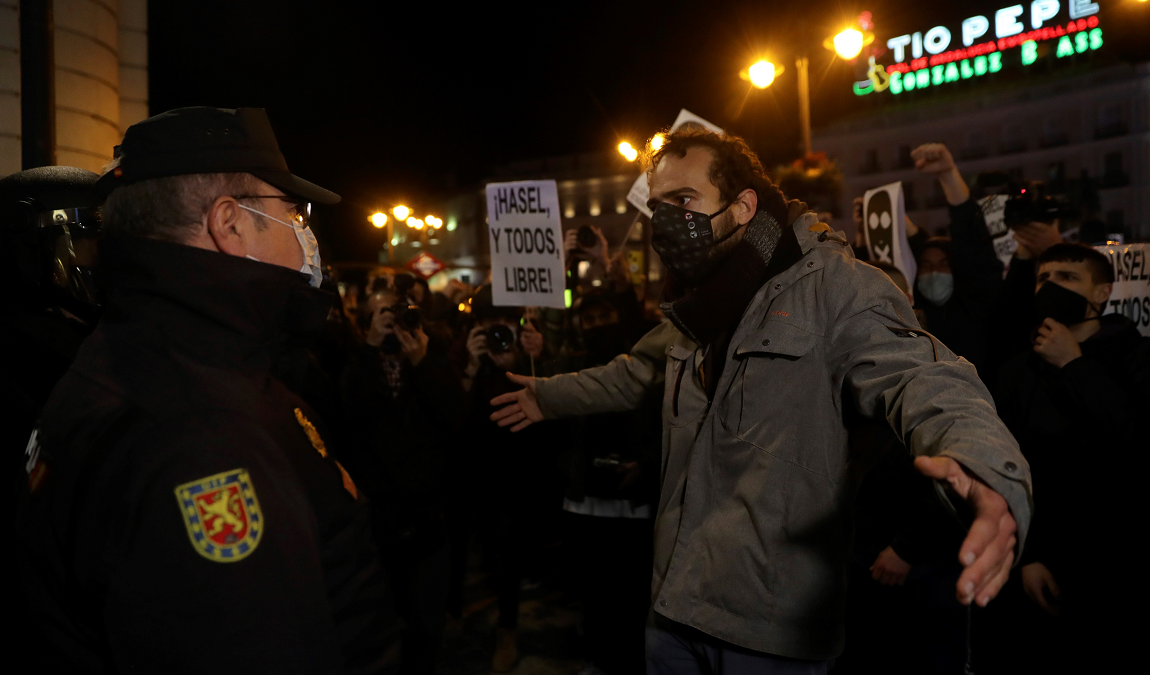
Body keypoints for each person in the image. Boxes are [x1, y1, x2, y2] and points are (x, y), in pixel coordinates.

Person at [490, 128, 1030, 674]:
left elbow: (925, 379)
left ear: (744, 206)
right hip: (673, 608)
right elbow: (635, 373)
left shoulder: (835, 286)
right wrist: (547, 396)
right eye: (658, 206)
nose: (667, 222)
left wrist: (987, 472)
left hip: (768, 629)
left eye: (683, 201)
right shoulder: (698, 304)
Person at [16, 107, 400, 672]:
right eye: (293, 212)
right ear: (230, 223)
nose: (305, 233)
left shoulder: (139, 351)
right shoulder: (202, 435)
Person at [991, 243, 1149, 671]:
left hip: (1118, 562)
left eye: (1067, 278)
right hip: (1043, 558)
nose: (1051, 287)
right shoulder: (1017, 370)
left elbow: (1132, 437)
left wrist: (1074, 365)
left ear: (1102, 293)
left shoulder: (1137, 357)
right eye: (1044, 278)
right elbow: (1006, 467)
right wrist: (1029, 555)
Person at [341, 287, 464, 674]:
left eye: (399, 316)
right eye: (383, 317)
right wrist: (369, 350)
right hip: (376, 517)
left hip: (425, 513)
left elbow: (455, 418)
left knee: (427, 622)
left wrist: (423, 362)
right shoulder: (356, 364)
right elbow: (346, 419)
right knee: (379, 622)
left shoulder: (433, 361)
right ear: (367, 325)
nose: (394, 324)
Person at [447, 286, 555, 673]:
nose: (497, 332)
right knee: (457, 546)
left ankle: (507, 629)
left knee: (509, 551)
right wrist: (472, 367)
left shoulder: (528, 352)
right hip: (468, 468)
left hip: (515, 467)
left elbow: (552, 408)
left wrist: (529, 361)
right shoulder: (462, 355)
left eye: (503, 324)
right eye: (488, 325)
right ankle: (452, 614)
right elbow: (448, 417)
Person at [557, 294, 660, 675]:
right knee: (595, 588)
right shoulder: (573, 364)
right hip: (587, 498)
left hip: (634, 499)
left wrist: (647, 464)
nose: (598, 324)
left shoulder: (646, 365)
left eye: (606, 316)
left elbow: (663, 422)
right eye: (591, 318)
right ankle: (599, 657)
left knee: (632, 589)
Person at [909, 144, 1005, 379]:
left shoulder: (977, 310)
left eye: (943, 264)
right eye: (926, 266)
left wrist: (948, 175)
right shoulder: (908, 321)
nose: (934, 272)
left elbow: (971, 243)